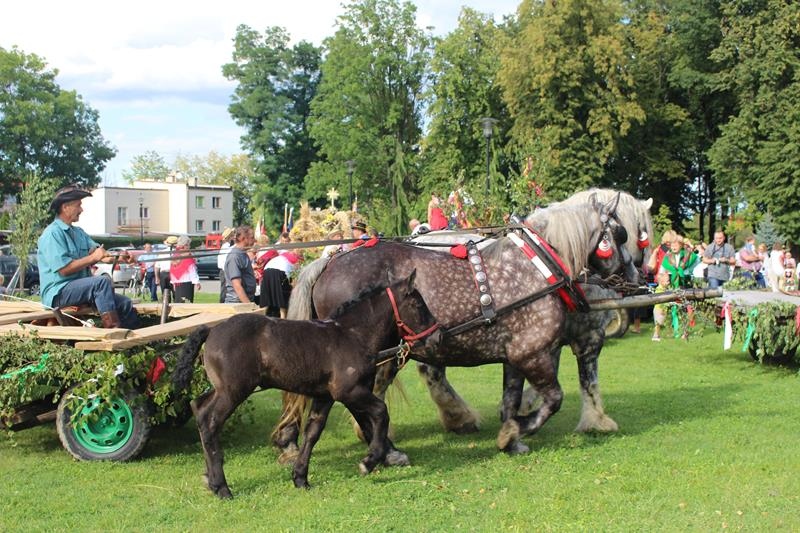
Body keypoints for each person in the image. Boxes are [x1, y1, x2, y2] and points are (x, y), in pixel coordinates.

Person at [36, 185, 139, 329]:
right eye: (78, 205)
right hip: (58, 294)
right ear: (65, 207)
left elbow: (100, 254)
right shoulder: (52, 234)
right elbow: (64, 270)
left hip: (81, 290)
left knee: (125, 303)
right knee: (101, 282)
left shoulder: (79, 232)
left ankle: (131, 339)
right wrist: (93, 258)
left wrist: (120, 257)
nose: (81, 210)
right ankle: (113, 332)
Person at [261, 232, 299, 317]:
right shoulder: (295, 258)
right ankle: (283, 318)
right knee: (283, 297)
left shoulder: (284, 254)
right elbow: (295, 278)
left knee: (267, 297)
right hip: (279, 271)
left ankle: (262, 316)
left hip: (267, 270)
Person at [223, 225, 257, 303]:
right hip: (237, 302)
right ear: (243, 238)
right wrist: (248, 305)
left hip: (244, 301)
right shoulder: (234, 257)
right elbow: (237, 285)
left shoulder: (243, 253)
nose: (254, 240)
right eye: (252, 237)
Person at [170, 235, 201, 303]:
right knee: (186, 302)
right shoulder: (187, 256)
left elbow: (172, 271)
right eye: (189, 245)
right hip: (187, 283)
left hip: (177, 283)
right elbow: (192, 270)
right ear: (185, 245)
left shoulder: (175, 255)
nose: (189, 246)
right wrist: (197, 282)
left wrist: (173, 282)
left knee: (178, 302)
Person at [155, 236, 177, 300]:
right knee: (176, 294)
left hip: (164, 274)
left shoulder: (162, 253)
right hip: (175, 273)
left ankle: (166, 304)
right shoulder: (178, 252)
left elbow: (157, 266)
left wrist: (157, 277)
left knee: (165, 294)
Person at [651, 271, 671, 341]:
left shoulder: (664, 289)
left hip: (663, 309)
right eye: (667, 281)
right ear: (662, 282)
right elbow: (659, 302)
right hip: (659, 310)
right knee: (658, 324)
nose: (669, 282)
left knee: (663, 323)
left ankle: (660, 335)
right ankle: (655, 336)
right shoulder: (659, 290)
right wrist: (662, 309)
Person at [217, 227, 234, 303]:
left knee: (225, 289)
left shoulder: (226, 246)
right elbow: (224, 261)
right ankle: (222, 304)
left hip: (224, 270)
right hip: (224, 271)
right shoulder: (226, 247)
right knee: (224, 290)